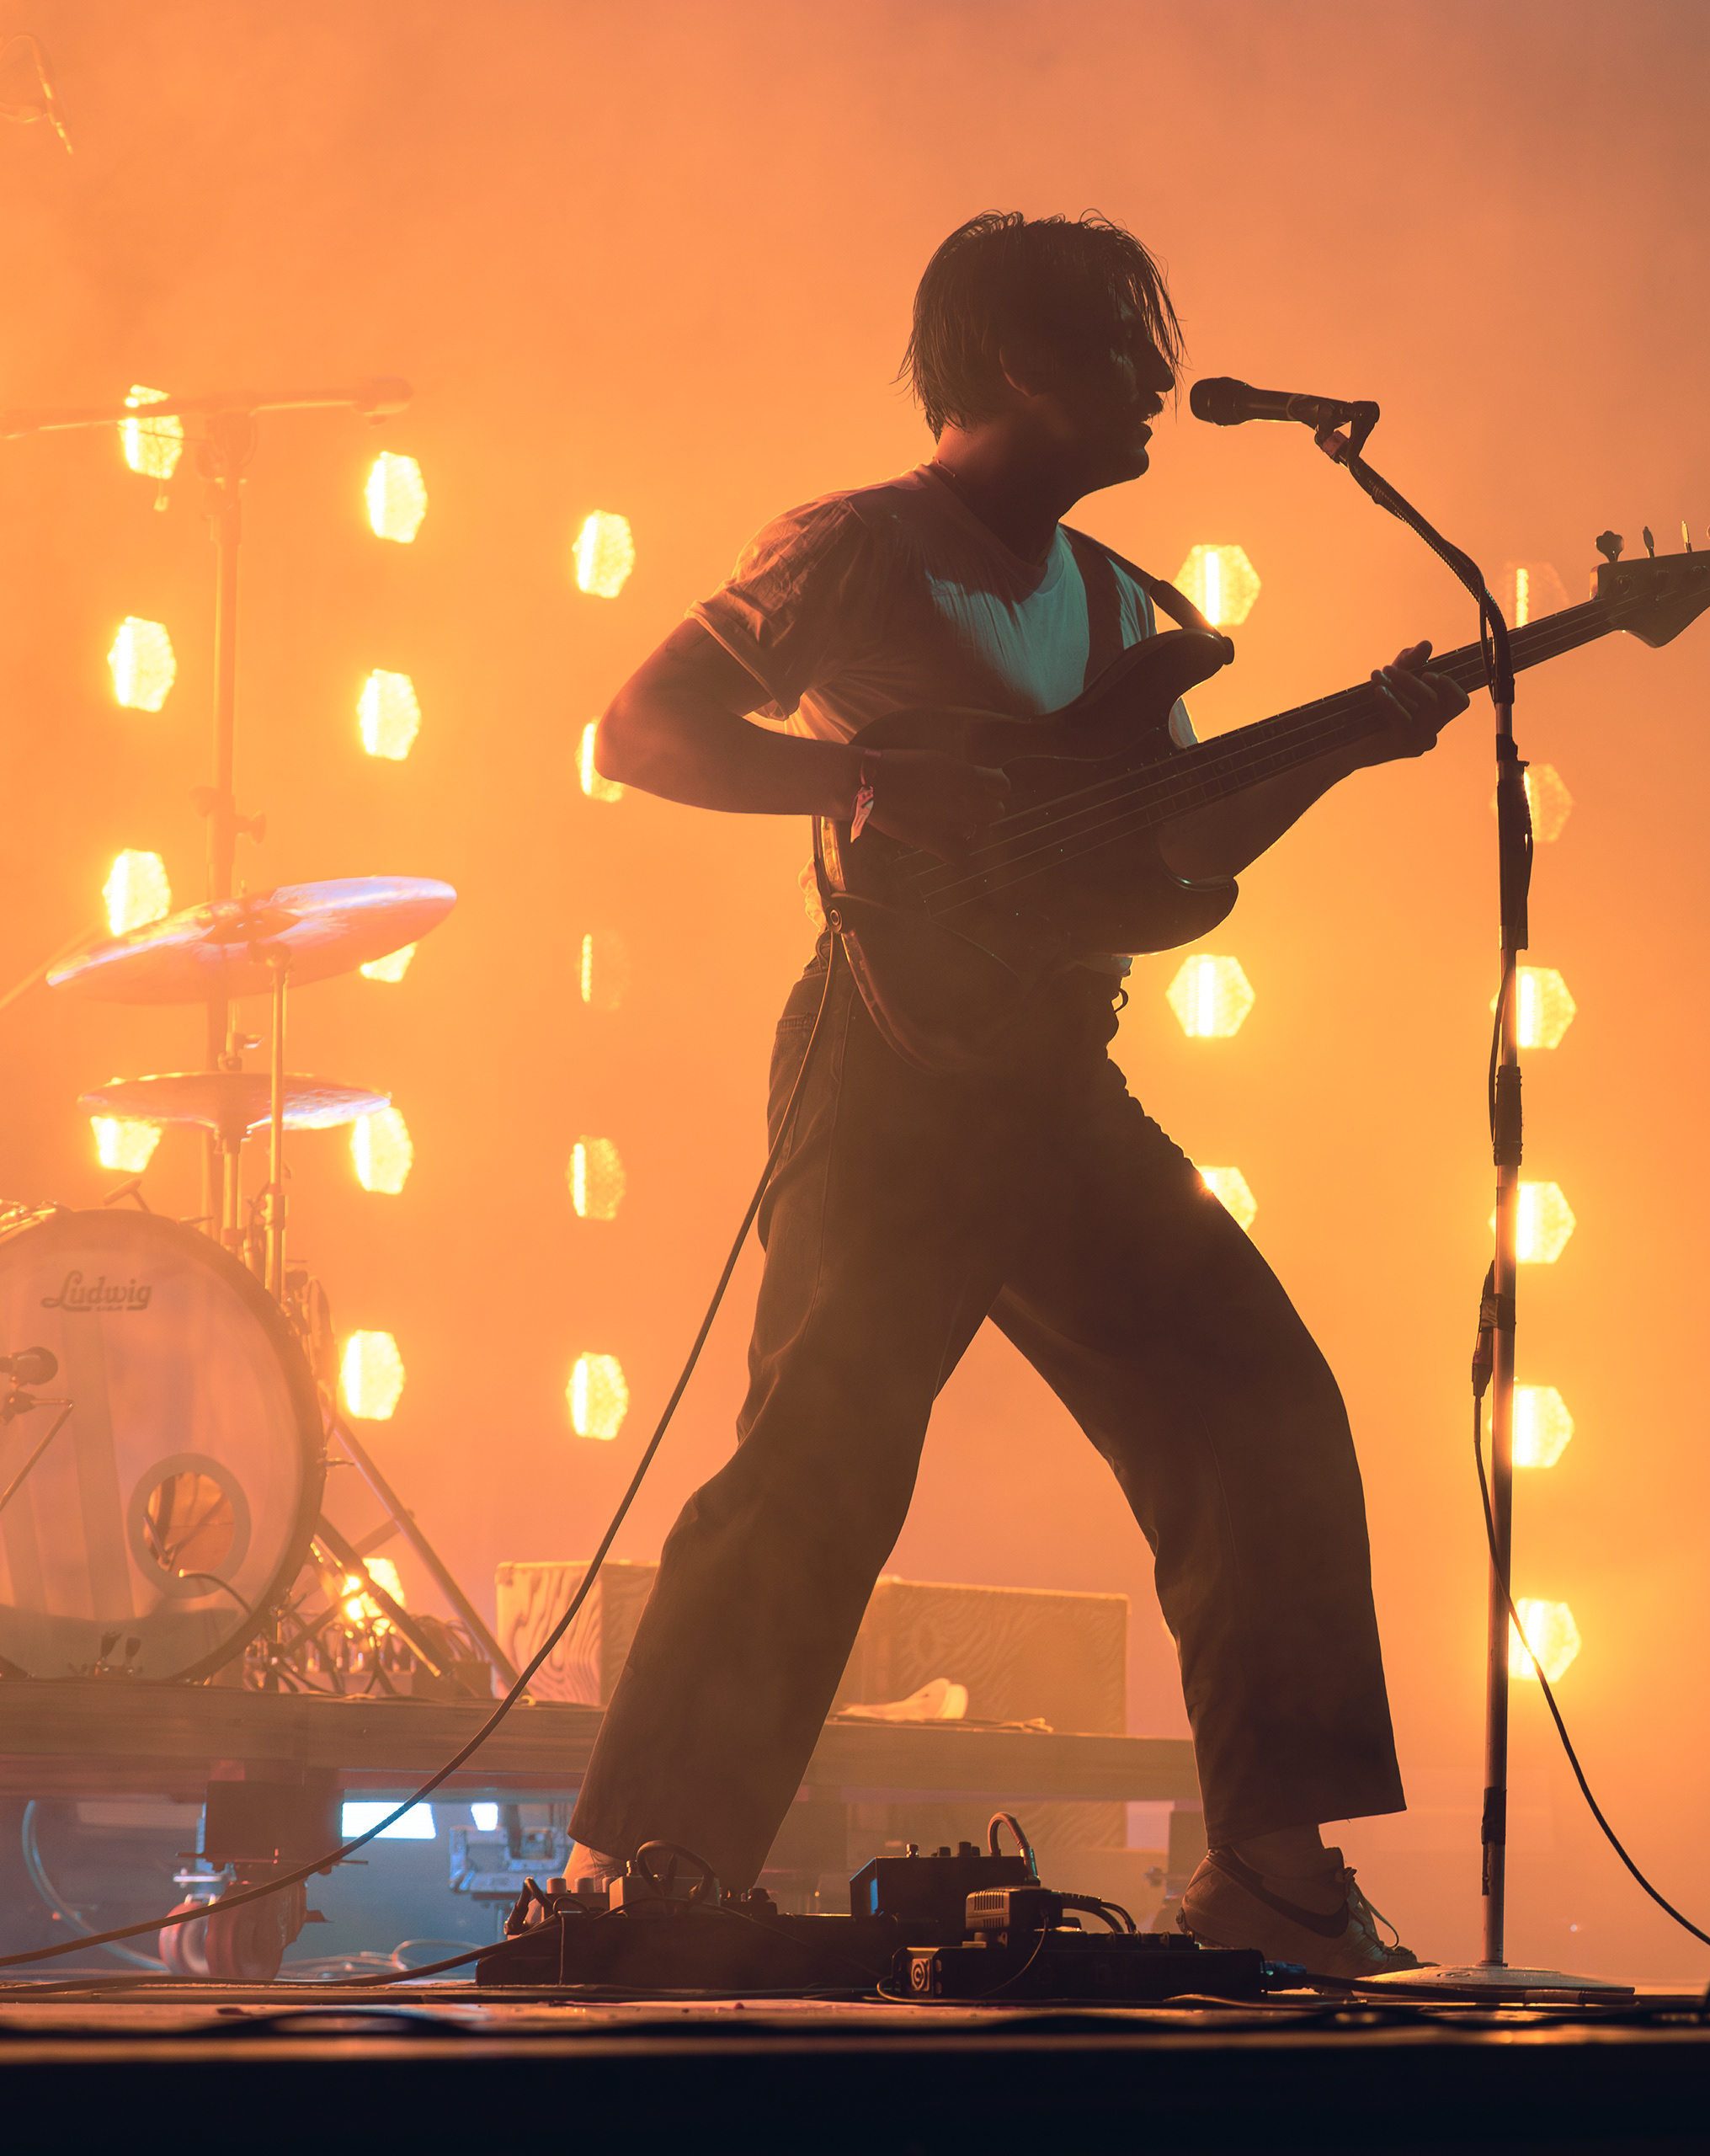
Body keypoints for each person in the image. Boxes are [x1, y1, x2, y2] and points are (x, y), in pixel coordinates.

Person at [559, 210, 1465, 1979]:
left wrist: (1356, 743)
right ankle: (639, 1872)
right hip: (884, 1062)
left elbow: (1169, 861)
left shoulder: (1129, 605)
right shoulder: (852, 549)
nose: (1157, 384)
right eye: (1125, 348)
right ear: (1017, 364)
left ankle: (1275, 1875)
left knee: (1256, 1404)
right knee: (821, 1458)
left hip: (1054, 1073)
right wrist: (851, 781)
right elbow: (640, 730)